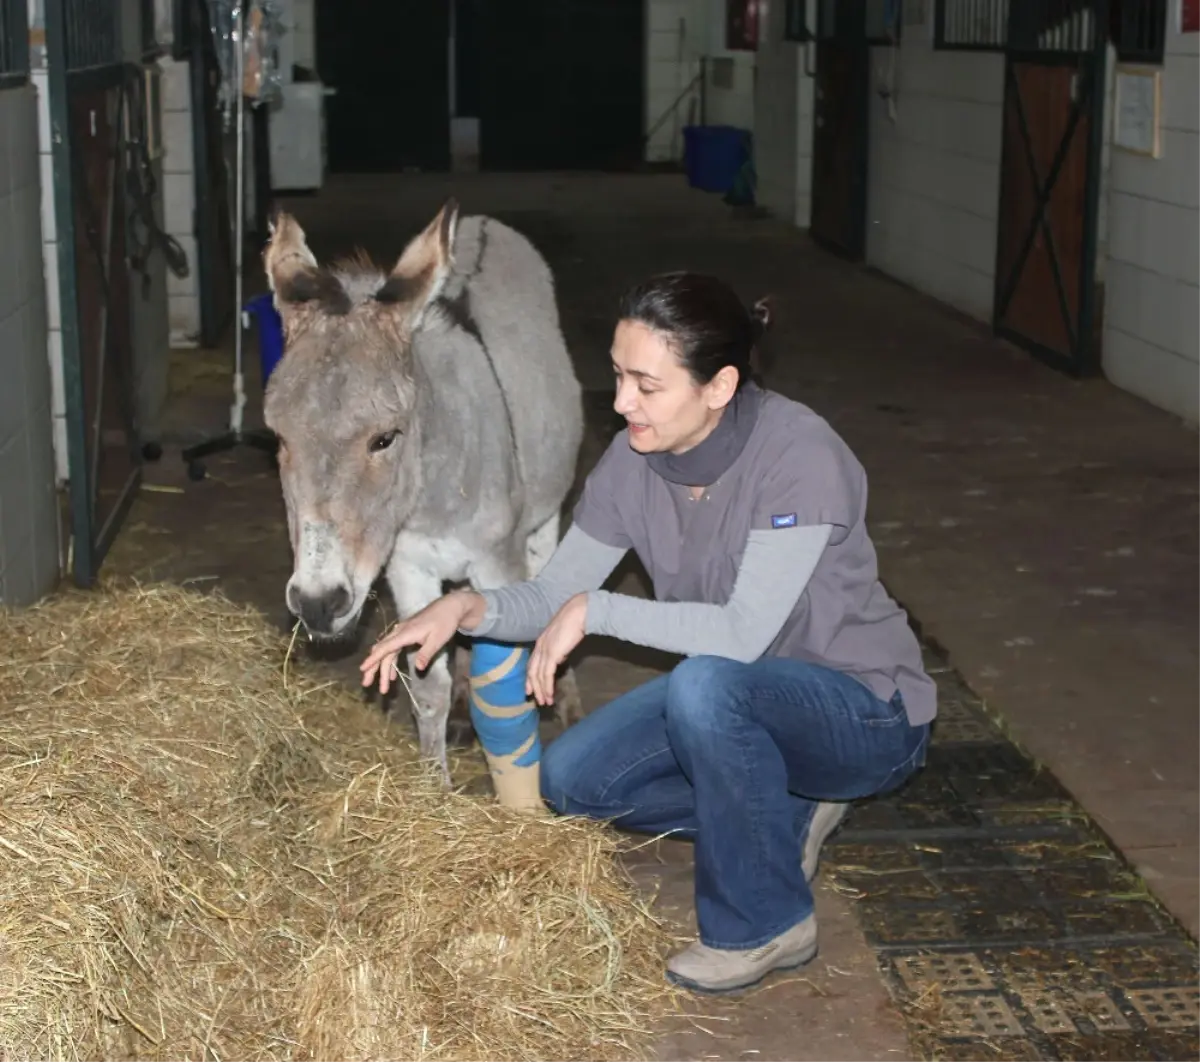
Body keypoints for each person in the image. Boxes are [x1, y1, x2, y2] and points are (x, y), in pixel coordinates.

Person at [360, 271, 937, 995]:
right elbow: (553, 593)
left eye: (646, 384)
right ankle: (786, 809)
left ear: (719, 388)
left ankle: (765, 924)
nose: (623, 402)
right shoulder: (637, 458)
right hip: (741, 698)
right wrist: (466, 609)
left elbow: (744, 633)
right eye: (617, 375)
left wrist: (601, 613)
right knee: (574, 782)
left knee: (706, 682)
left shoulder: (799, 456)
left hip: (862, 710)